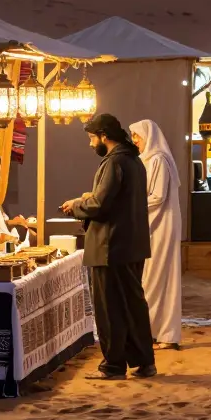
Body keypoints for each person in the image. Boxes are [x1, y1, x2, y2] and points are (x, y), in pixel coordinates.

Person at [60, 114, 155, 380]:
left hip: (110, 248)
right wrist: (87, 198)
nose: (91, 144)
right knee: (133, 306)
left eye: (92, 138)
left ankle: (113, 366)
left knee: (110, 308)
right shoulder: (134, 161)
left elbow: (101, 206)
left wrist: (76, 206)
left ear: (104, 135)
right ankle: (144, 362)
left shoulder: (114, 162)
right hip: (131, 245)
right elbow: (116, 200)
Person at [128, 119, 182, 350]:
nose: (135, 141)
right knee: (152, 278)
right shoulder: (149, 160)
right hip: (152, 225)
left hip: (161, 226)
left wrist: (129, 204)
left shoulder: (158, 159)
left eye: (137, 136)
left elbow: (157, 196)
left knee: (158, 277)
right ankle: (152, 331)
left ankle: (165, 334)